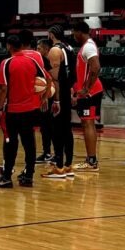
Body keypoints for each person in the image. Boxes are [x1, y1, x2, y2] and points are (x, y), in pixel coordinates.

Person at [0, 35, 51, 188]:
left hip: (13, 109)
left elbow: (3, 88)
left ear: (9, 46)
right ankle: (29, 175)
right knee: (29, 142)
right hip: (31, 109)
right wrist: (44, 97)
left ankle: (6, 177)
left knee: (10, 143)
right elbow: (48, 79)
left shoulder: (6, 63)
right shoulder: (33, 61)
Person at [42, 25, 76, 178]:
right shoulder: (69, 48)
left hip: (59, 95)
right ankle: (68, 165)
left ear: (50, 35)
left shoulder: (54, 51)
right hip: (67, 91)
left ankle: (59, 166)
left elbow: (54, 78)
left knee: (57, 130)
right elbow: (71, 73)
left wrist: (56, 100)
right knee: (67, 129)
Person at [71, 21, 103, 172]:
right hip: (88, 92)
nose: (73, 35)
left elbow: (96, 67)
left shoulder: (89, 46)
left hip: (91, 92)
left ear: (79, 32)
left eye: (73, 32)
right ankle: (90, 159)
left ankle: (92, 161)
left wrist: (86, 89)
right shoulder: (86, 46)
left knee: (88, 123)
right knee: (86, 123)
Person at [19, 29, 52, 163]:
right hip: (38, 98)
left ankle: (36, 157)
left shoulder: (16, 56)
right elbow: (48, 77)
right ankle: (47, 153)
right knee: (45, 127)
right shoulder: (39, 57)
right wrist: (45, 95)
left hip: (24, 100)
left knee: (27, 131)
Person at [36, 38, 54, 164]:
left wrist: (46, 96)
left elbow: (51, 80)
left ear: (46, 49)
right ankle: (47, 152)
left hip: (50, 96)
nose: (37, 51)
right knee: (44, 126)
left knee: (49, 126)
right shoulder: (40, 61)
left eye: (39, 48)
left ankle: (51, 153)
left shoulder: (48, 62)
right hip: (46, 96)